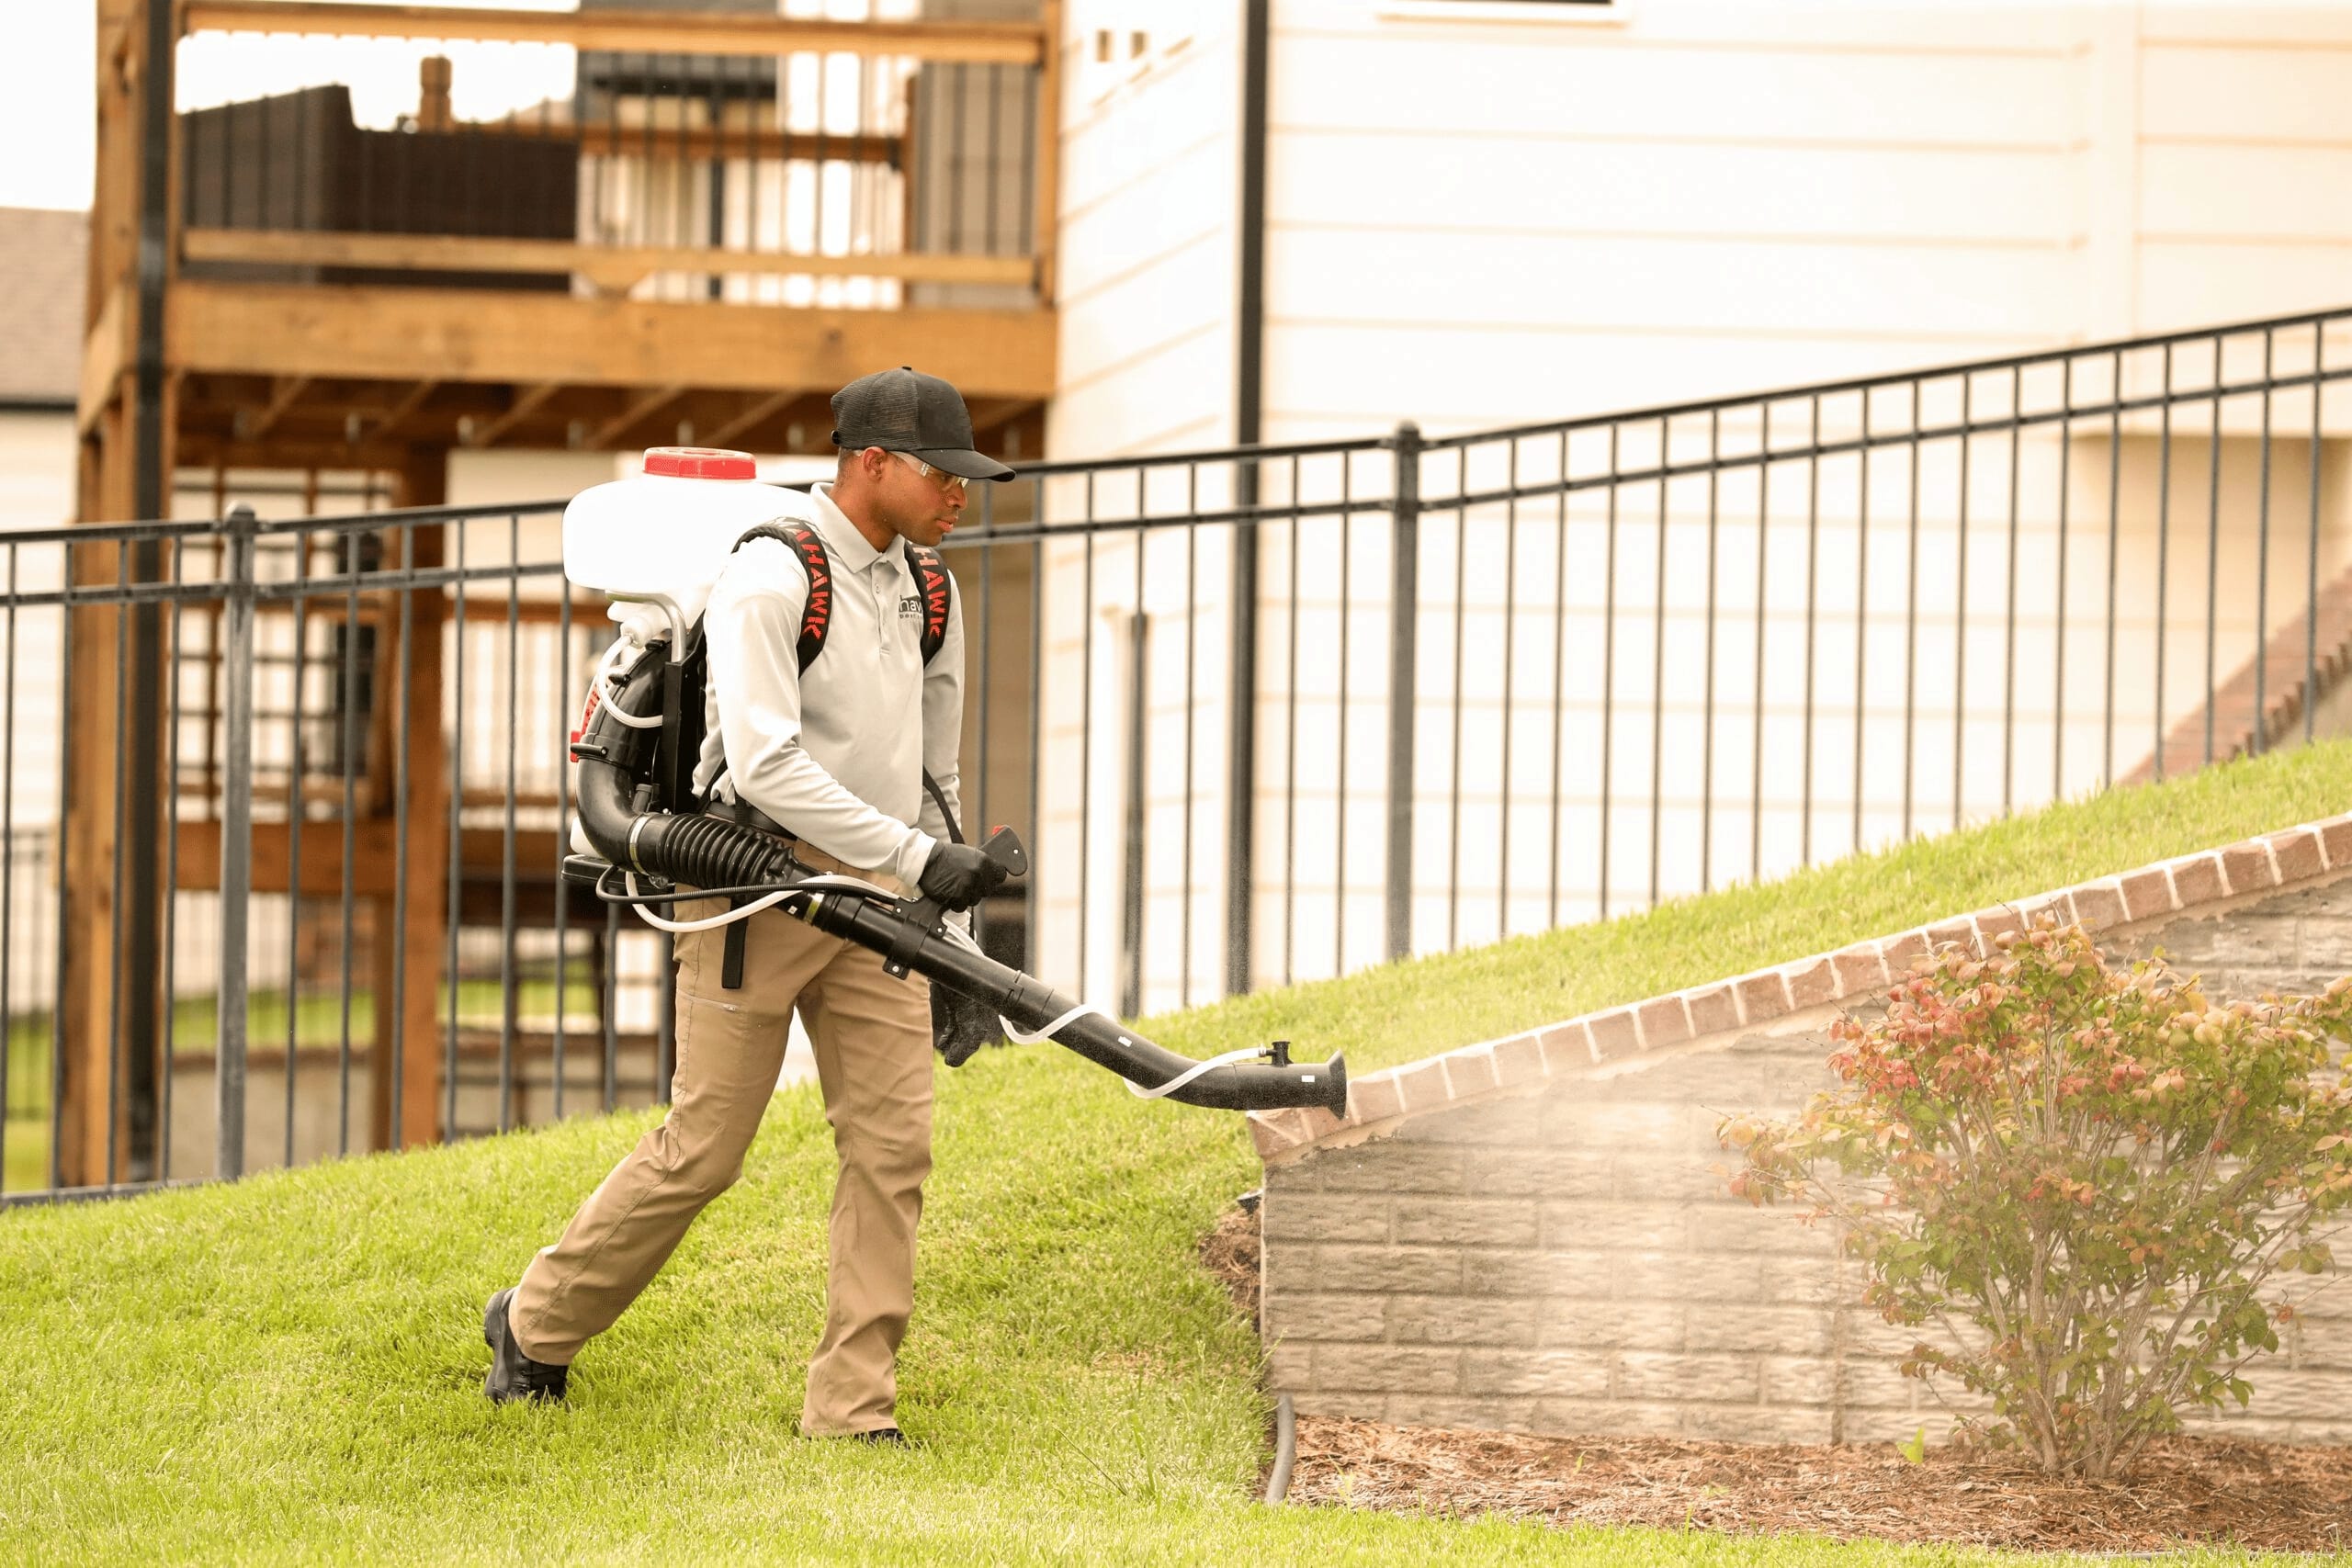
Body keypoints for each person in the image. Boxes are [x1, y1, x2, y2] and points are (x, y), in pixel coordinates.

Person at [482, 367, 1015, 1442]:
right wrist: (915, 856)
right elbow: (766, 765)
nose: (960, 494)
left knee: (893, 1150)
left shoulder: (931, 592)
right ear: (873, 463)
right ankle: (534, 1323)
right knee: (707, 1147)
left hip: (880, 897)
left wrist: (947, 924)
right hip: (754, 890)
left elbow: (934, 772)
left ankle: (852, 1408)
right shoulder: (773, 575)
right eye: (942, 474)